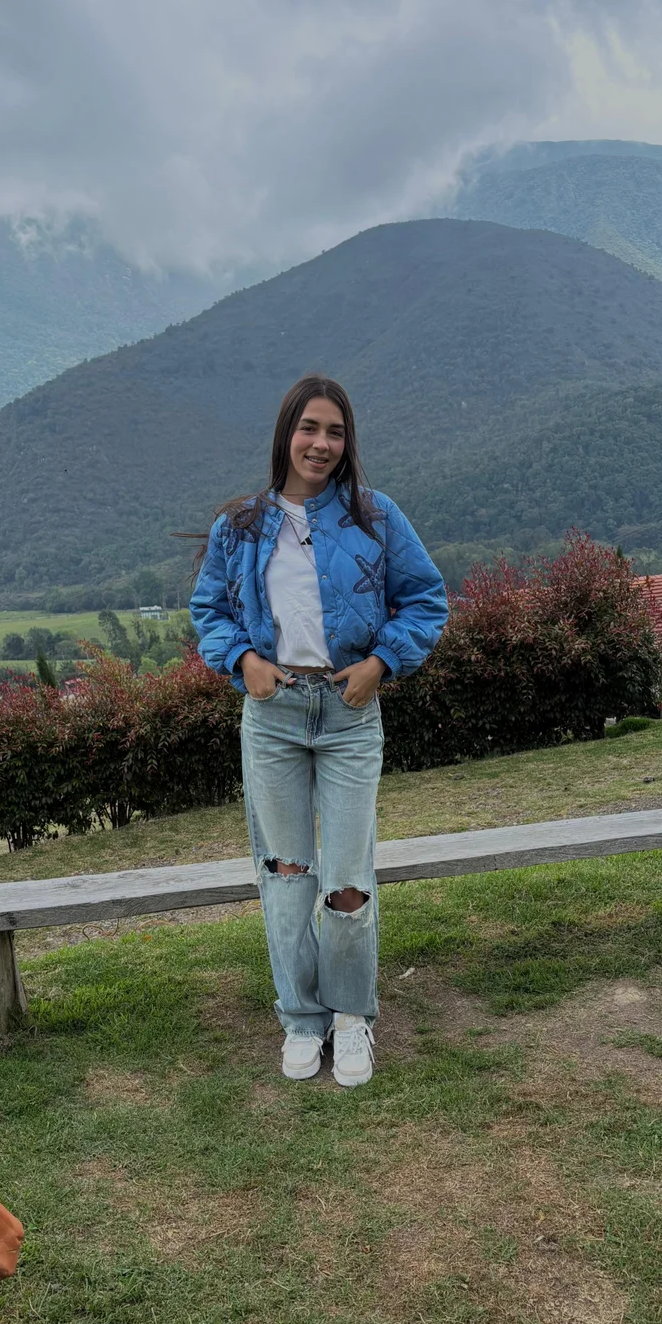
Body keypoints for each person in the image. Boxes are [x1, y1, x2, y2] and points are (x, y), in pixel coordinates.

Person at [190, 374, 448, 1086]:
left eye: (335, 432)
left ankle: (351, 1015)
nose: (321, 443)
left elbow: (426, 599)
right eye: (309, 427)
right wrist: (244, 662)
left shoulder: (376, 516)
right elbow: (210, 611)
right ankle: (302, 1016)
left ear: (347, 442)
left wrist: (381, 663)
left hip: (349, 712)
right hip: (273, 716)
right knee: (286, 874)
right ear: (286, 433)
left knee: (348, 880)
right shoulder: (241, 526)